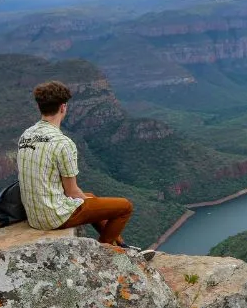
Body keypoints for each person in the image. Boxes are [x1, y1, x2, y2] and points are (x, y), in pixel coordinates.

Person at [17, 81, 153, 259]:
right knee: (125, 206)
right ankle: (104, 253)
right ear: (63, 107)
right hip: (53, 217)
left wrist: (88, 201)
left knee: (90, 197)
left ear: (39, 106)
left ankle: (122, 245)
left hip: (35, 215)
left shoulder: (26, 135)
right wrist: (85, 202)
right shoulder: (63, 143)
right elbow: (72, 191)